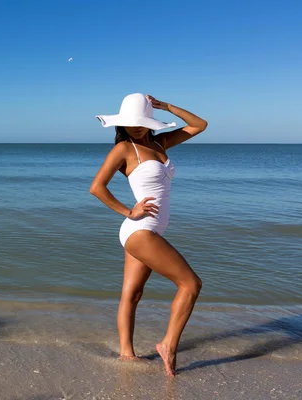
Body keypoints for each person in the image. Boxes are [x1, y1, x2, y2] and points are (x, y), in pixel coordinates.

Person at [89, 93, 208, 376]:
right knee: (191, 284)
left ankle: (126, 355)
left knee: (132, 293)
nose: (137, 127)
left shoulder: (160, 142)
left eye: (142, 122)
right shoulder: (123, 150)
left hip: (150, 229)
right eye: (131, 123)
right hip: (139, 230)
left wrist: (166, 106)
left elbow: (199, 124)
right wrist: (128, 212)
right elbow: (97, 188)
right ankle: (168, 345)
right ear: (122, 125)